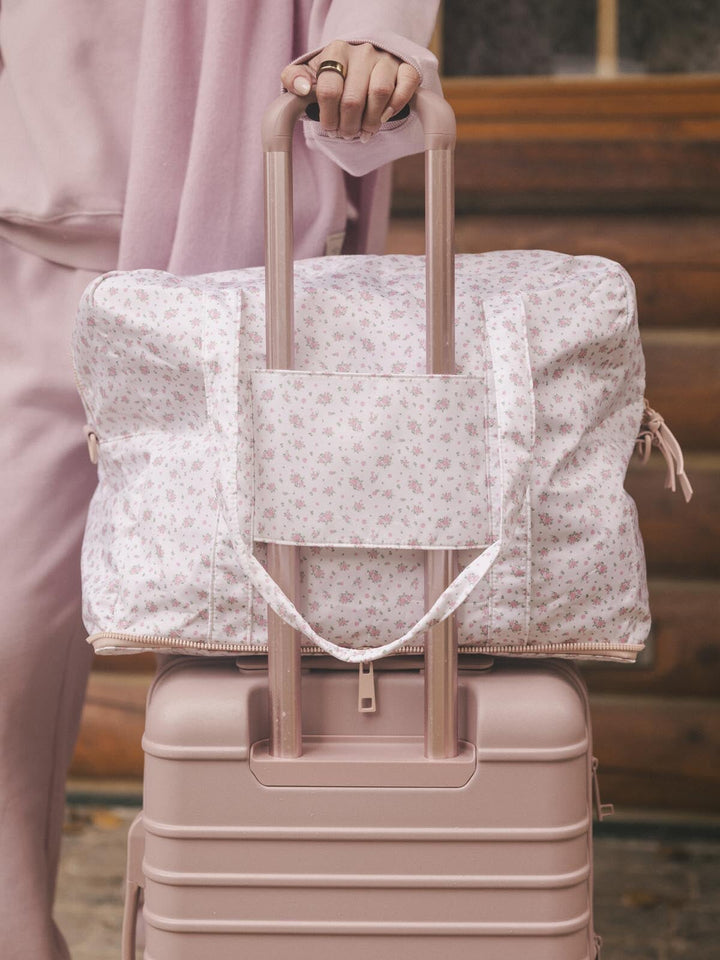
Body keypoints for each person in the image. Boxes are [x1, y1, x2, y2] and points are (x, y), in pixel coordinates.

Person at [0, 2, 440, 957]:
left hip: (258, 279)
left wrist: (371, 36)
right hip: (27, 249)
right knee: (6, 645)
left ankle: (236, 931)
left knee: (267, 654)